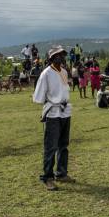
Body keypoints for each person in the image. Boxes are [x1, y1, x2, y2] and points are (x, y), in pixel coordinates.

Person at [33, 46, 75, 191]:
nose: (62, 58)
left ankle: (61, 173)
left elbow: (64, 89)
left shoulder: (63, 71)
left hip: (65, 111)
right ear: (51, 58)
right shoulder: (46, 73)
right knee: (51, 147)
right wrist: (52, 102)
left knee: (63, 144)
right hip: (53, 113)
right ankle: (47, 177)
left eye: (63, 55)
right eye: (58, 56)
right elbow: (39, 97)